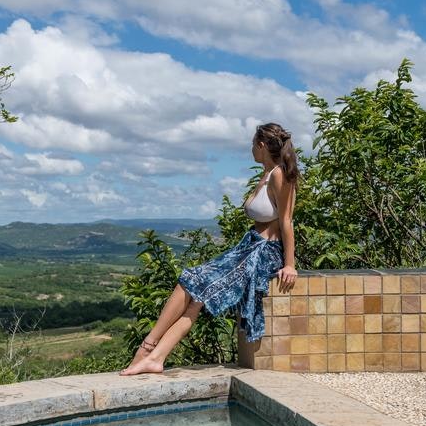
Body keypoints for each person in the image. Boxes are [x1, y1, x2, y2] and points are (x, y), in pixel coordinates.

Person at [121, 123, 299, 376]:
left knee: (190, 281)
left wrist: (289, 264)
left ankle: (146, 348)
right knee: (195, 296)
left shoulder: (280, 174)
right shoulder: (267, 174)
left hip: (263, 253)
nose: (251, 150)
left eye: (252, 145)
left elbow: (286, 221)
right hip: (249, 247)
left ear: (261, 145)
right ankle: (155, 358)